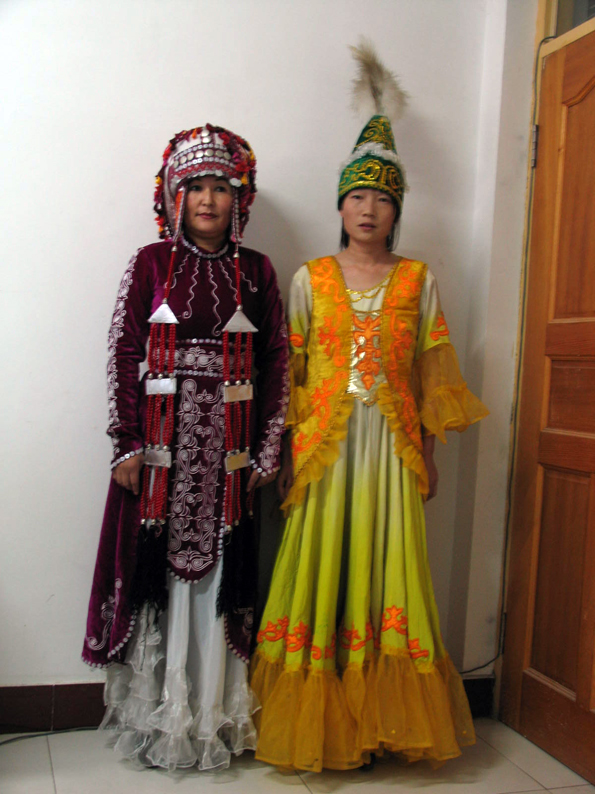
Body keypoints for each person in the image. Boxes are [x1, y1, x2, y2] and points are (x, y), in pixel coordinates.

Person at [250, 43, 488, 773]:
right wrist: (285, 451)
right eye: (357, 196)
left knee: (389, 568)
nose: (368, 209)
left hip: (390, 450)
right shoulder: (310, 278)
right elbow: (289, 371)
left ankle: (383, 721)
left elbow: (431, 372)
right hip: (324, 448)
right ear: (340, 205)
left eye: (382, 199)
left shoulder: (418, 281)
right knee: (319, 564)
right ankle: (317, 719)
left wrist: (430, 455)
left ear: (396, 212)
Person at [82, 124, 289, 771]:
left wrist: (267, 451)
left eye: (220, 188)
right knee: (158, 582)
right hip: (159, 457)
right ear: (174, 196)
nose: (207, 199)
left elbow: (278, 362)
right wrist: (125, 444)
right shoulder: (150, 263)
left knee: (223, 582)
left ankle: (211, 718)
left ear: (239, 199)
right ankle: (158, 719)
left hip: (229, 460)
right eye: (195, 187)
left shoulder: (256, 271)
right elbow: (123, 351)